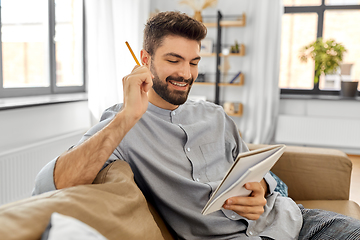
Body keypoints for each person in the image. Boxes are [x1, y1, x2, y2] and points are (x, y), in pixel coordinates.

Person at [33, 11, 360, 240]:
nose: (186, 73)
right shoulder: (122, 124)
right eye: (173, 60)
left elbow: (251, 170)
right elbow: (49, 185)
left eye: (193, 62)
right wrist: (127, 117)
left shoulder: (215, 115)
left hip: (296, 221)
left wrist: (260, 188)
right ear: (145, 61)